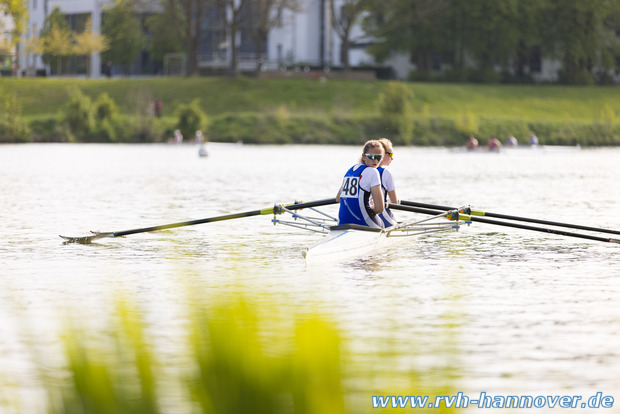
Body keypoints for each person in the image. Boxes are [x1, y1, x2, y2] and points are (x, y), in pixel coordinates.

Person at [335, 140, 385, 228]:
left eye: (379, 157)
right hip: (364, 223)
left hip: (342, 223)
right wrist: (371, 206)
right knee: (383, 223)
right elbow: (380, 208)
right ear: (363, 156)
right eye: (372, 157)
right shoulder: (373, 171)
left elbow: (338, 198)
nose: (376, 160)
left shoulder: (350, 170)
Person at [377, 138, 399, 227]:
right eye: (390, 154)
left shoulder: (360, 170)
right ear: (382, 153)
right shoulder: (386, 173)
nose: (392, 158)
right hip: (382, 219)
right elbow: (394, 203)